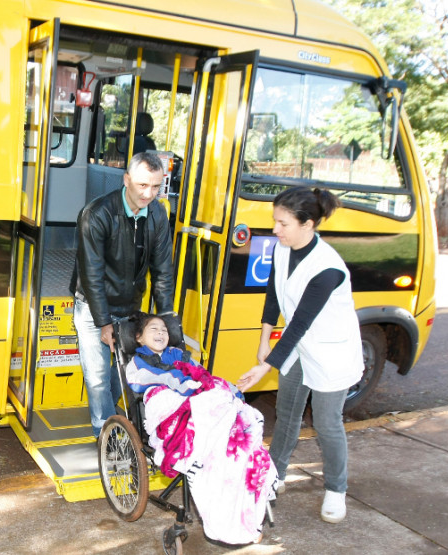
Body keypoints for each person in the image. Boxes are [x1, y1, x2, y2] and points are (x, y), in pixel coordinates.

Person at [237, 186, 363, 525]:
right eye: (275, 221)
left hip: (329, 351)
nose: (275, 229)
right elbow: (273, 295)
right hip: (297, 346)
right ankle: (273, 476)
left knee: (326, 423)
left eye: (283, 223)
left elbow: (302, 323)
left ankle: (337, 489)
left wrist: (265, 366)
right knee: (287, 413)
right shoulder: (282, 247)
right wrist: (264, 341)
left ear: (308, 224)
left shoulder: (328, 268)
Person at [125, 312, 272, 545]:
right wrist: (169, 380)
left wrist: (223, 387)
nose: (161, 332)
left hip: (195, 399)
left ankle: (240, 518)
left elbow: (204, 375)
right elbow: (138, 380)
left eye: (164, 329)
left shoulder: (181, 355)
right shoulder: (138, 361)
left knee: (232, 441)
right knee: (210, 415)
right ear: (140, 338)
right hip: (164, 402)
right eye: (153, 329)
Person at [71, 150, 174, 437]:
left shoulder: (157, 213)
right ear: (127, 179)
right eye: (142, 185)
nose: (149, 194)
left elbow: (163, 270)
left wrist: (165, 317)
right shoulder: (96, 214)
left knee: (123, 375)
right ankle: (105, 439)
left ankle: (112, 423)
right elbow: (91, 274)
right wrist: (104, 323)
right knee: (99, 379)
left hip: (129, 308)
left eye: (156, 186)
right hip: (94, 308)